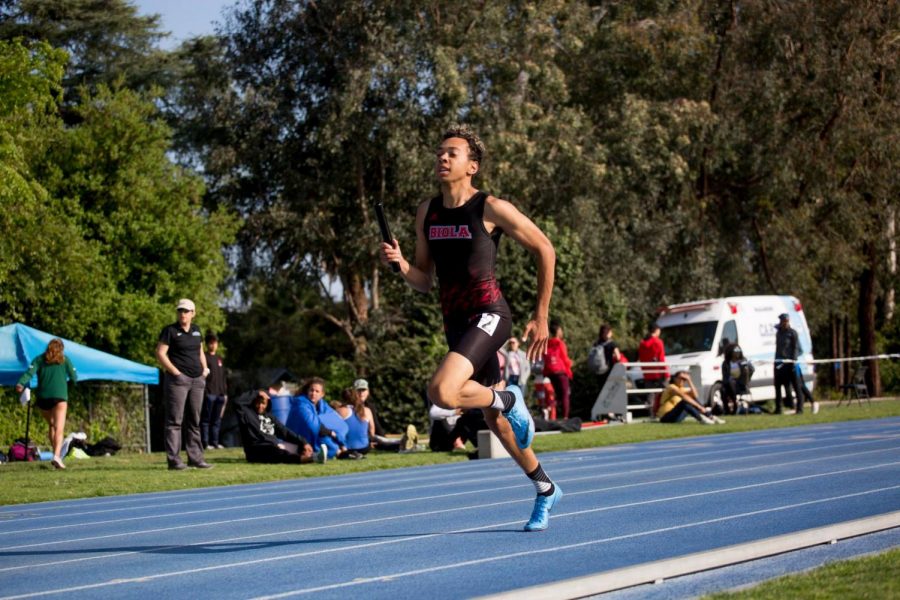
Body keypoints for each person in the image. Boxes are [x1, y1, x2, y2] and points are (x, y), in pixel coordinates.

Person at [379, 124, 562, 531]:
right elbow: (424, 280)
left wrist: (542, 315)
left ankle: (512, 401)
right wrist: (401, 264)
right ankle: (545, 487)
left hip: (490, 313)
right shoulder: (428, 211)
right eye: (439, 152)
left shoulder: (490, 208)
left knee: (442, 391)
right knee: (493, 421)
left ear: (472, 166)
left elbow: (544, 248)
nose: (442, 158)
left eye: (452, 153)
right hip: (456, 322)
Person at [156, 298, 213, 470]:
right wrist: (176, 373)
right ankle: (174, 460)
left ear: (193, 313)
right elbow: (160, 353)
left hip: (198, 380)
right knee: (175, 420)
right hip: (178, 381)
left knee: (194, 420)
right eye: (180, 310)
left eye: (186, 311)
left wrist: (205, 369)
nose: (183, 314)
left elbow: (200, 352)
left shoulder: (196, 331)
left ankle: (195, 458)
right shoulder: (170, 331)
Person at [15, 338, 77, 469]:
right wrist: (70, 383)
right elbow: (74, 377)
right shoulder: (65, 360)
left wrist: (20, 383)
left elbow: (29, 373)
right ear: (61, 349)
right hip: (60, 397)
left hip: (43, 398)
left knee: (52, 425)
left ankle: (57, 456)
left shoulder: (39, 359)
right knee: (59, 427)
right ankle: (56, 456)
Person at [235, 390, 315, 464]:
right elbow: (237, 402)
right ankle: (309, 459)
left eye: (263, 403)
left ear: (267, 404)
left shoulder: (270, 417)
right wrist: (257, 393)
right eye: (257, 403)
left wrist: (304, 442)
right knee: (277, 452)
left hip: (273, 447)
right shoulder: (247, 414)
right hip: (257, 450)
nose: (260, 406)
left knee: (296, 446)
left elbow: (285, 432)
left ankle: (310, 455)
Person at [292, 377, 358, 461]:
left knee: (327, 433)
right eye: (311, 390)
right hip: (300, 437)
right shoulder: (300, 403)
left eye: (317, 391)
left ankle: (343, 451)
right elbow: (312, 425)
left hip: (317, 435)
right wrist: (331, 433)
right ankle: (339, 452)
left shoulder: (323, 405)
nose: (313, 393)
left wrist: (338, 438)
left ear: (322, 394)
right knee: (323, 435)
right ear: (307, 391)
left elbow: (341, 425)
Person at [657, 371, 724, 424]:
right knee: (685, 401)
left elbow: (695, 395)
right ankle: (701, 419)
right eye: (681, 378)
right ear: (674, 378)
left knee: (692, 400)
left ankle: (710, 416)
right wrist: (699, 407)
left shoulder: (683, 389)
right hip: (665, 417)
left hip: (676, 418)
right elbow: (683, 396)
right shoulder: (671, 387)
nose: (682, 381)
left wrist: (689, 380)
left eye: (684, 380)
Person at [200, 332, 228, 449]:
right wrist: (205, 392)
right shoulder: (204, 358)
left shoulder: (219, 359)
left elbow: (223, 377)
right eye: (211, 343)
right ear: (207, 344)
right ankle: (205, 443)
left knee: (217, 420)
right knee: (206, 419)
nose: (213, 345)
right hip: (209, 393)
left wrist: (225, 394)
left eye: (215, 343)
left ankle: (215, 442)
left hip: (220, 394)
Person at [543, 321, 574, 420]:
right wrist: (570, 364)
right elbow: (564, 358)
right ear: (558, 331)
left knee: (557, 395)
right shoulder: (560, 343)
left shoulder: (547, 344)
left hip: (551, 372)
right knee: (565, 394)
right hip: (560, 372)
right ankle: (565, 417)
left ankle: (548, 407)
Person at [774, 313, 803, 414]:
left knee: (796, 385)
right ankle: (778, 408)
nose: (784, 323)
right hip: (779, 362)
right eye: (783, 321)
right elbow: (778, 349)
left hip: (790, 363)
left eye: (786, 321)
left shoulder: (792, 333)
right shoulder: (779, 333)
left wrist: (793, 361)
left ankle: (799, 408)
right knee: (778, 386)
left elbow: (796, 348)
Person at [638, 323, 668, 414]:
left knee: (650, 394)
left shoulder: (642, 344)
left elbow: (641, 358)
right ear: (657, 330)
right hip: (658, 372)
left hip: (647, 373)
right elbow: (661, 359)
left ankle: (651, 414)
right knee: (665, 392)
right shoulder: (658, 342)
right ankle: (665, 411)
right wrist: (666, 373)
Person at [720, 343, 755, 415]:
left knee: (731, 382)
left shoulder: (743, 360)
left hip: (741, 384)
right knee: (723, 388)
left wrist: (747, 376)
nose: (737, 353)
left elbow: (752, 369)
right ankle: (727, 410)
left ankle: (735, 405)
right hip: (729, 386)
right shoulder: (726, 363)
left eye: (738, 351)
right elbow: (725, 377)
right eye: (735, 351)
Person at [592, 324, 623, 393]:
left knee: (601, 390)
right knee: (609, 391)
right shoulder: (612, 344)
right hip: (609, 370)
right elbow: (618, 357)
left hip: (599, 370)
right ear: (608, 333)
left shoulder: (596, 343)